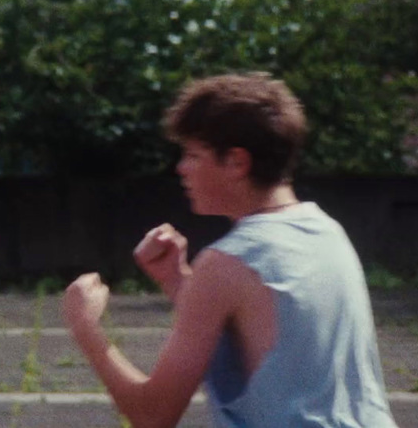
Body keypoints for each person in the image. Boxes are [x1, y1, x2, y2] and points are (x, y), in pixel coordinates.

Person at [61, 73, 397, 428]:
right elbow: (267, 340)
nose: (181, 168)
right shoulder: (328, 232)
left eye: (192, 154)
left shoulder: (227, 262)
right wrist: (179, 282)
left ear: (237, 162)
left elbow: (153, 414)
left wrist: (85, 327)